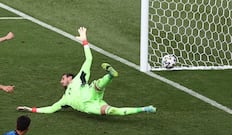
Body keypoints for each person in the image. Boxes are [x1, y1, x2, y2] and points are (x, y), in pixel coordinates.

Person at [17, 27, 157, 116]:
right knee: (113, 111)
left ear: (69, 77)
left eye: (62, 78)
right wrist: (30, 109)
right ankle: (145, 108)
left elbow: (89, 58)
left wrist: (84, 41)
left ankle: (110, 75)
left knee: (97, 85)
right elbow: (50, 109)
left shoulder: (79, 78)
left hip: (91, 92)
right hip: (91, 106)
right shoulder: (65, 99)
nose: (61, 81)